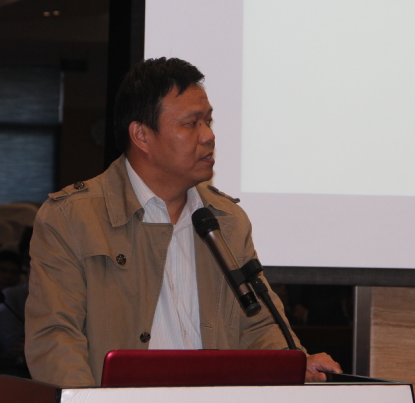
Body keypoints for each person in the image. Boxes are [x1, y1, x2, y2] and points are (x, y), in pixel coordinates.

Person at [25, 58, 340, 386]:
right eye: (191, 123)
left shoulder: (227, 221)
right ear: (142, 135)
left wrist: (292, 363)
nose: (208, 136)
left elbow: (259, 325)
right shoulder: (72, 218)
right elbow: (54, 337)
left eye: (208, 121)